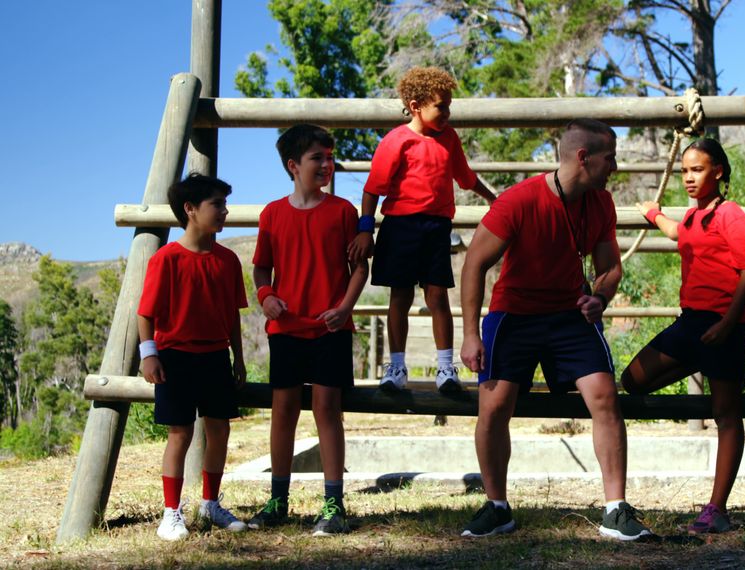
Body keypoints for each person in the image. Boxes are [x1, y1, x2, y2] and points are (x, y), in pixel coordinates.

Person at [458, 119, 651, 541]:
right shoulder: (518, 201)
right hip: (515, 314)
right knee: (493, 406)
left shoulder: (601, 203)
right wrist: (471, 334)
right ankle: (497, 506)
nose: (614, 167)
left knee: (605, 396)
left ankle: (615, 511)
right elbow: (474, 264)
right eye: (610, 158)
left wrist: (599, 297)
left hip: (570, 316)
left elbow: (610, 268)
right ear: (584, 158)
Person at [622, 138, 745, 535]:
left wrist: (728, 324)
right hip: (690, 323)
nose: (688, 177)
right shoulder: (692, 215)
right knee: (633, 381)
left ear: (718, 171)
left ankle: (716, 509)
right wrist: (653, 214)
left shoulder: (732, 216)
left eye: (697, 170)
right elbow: (678, 234)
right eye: (684, 170)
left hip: (726, 325)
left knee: (725, 415)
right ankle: (708, 368)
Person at [248, 124, 368, 536]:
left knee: (327, 412)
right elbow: (261, 266)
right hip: (285, 331)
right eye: (318, 158)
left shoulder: (343, 212)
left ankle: (334, 507)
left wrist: (344, 307)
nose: (327, 164)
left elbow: (360, 268)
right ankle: (277, 502)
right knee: (283, 413)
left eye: (330, 157)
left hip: (331, 330)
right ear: (293, 166)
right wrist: (265, 296)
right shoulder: (272, 214)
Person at [349, 66, 496, 395]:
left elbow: (466, 177)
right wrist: (365, 229)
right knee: (399, 296)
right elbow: (373, 188)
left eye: (449, 106)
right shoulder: (396, 141)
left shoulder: (449, 138)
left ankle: (445, 368)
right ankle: (396, 367)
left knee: (437, 296)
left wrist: (493, 199)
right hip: (400, 226)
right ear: (416, 106)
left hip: (436, 228)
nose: (446, 113)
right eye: (440, 106)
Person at [138, 173, 248, 541]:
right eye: (216, 204)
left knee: (220, 430)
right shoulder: (165, 259)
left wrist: (239, 358)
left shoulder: (229, 260)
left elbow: (232, 314)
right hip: (174, 359)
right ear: (190, 209)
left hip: (216, 357)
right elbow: (145, 312)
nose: (224, 211)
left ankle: (211, 504)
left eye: (224, 204)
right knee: (179, 434)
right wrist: (148, 355)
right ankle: (171, 513)